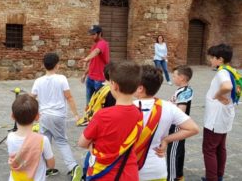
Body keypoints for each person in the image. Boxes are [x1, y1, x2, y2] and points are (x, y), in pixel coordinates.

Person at [78, 61, 143, 180]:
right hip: (129, 172)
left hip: (104, 174)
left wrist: (92, 144)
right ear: (137, 87)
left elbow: (82, 143)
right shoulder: (139, 113)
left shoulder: (102, 115)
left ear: (114, 85)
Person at [133, 65, 199, 181]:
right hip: (158, 170)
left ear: (140, 88)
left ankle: (176, 176)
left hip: (131, 170)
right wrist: (166, 139)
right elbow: (194, 128)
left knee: (175, 154)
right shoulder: (167, 107)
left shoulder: (126, 108)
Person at [30, 53, 82, 181]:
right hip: (58, 116)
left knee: (45, 142)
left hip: (44, 116)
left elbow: (31, 98)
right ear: (57, 65)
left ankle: (45, 169)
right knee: (61, 141)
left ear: (44, 65)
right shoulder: (61, 79)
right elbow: (69, 97)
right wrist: (76, 114)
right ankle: (73, 167)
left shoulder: (38, 81)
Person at [202, 44, 235, 181]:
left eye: (212, 58)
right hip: (224, 116)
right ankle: (218, 175)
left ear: (220, 59)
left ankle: (212, 178)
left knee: (209, 150)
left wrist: (217, 95)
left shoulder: (222, 72)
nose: (210, 60)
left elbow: (228, 86)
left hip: (215, 118)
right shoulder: (230, 70)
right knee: (220, 148)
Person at [7, 94, 55, 181]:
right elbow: (51, 165)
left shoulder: (10, 137)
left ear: (12, 116)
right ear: (37, 116)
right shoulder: (42, 140)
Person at [167, 65, 194, 181]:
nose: (173, 78)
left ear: (182, 78)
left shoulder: (185, 92)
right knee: (179, 150)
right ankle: (179, 175)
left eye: (174, 76)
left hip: (178, 126)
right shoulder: (182, 90)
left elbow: (180, 111)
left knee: (173, 152)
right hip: (179, 125)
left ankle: (172, 177)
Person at [81, 25, 110, 105]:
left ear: (99, 33)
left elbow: (97, 51)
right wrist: (85, 74)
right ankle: (88, 117)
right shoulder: (94, 45)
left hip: (99, 79)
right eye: (91, 34)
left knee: (98, 103)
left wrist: (87, 58)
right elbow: (92, 62)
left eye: (93, 34)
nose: (92, 36)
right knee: (88, 103)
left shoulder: (103, 43)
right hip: (90, 78)